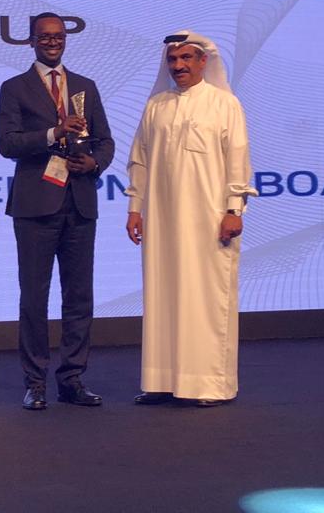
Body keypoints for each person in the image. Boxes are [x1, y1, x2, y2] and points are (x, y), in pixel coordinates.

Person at [126, 31, 256, 407]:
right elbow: (139, 160)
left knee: (205, 297)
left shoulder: (224, 103)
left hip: (209, 219)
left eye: (186, 58)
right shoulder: (157, 105)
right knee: (163, 294)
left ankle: (208, 385)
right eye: (173, 59)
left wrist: (233, 209)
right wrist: (134, 208)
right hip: (162, 220)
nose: (178, 66)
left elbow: (238, 158)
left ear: (203, 62)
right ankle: (163, 381)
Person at [0, 12, 115, 410]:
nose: (52, 42)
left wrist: (94, 163)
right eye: (44, 37)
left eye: (58, 36)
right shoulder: (15, 88)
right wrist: (53, 133)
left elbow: (105, 140)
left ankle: (72, 379)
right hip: (35, 205)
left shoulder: (85, 86)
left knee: (79, 297)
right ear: (31, 41)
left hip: (79, 202)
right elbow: (8, 144)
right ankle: (35, 382)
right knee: (34, 297)